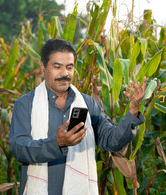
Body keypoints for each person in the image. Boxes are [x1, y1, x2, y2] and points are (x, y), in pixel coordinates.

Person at [9, 38, 146, 195]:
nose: (65, 73)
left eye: (69, 67)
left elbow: (111, 141)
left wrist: (133, 111)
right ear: (43, 67)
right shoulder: (26, 104)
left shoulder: (87, 104)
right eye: (57, 67)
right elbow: (19, 148)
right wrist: (57, 143)